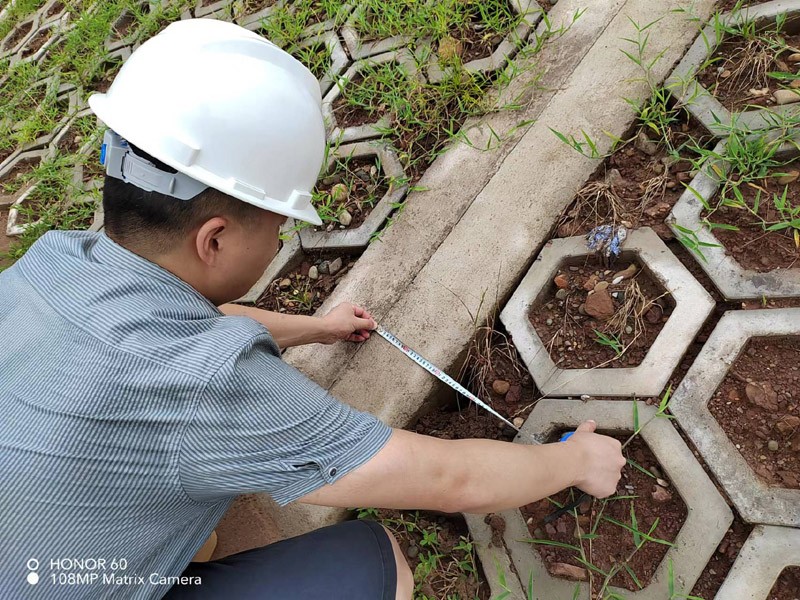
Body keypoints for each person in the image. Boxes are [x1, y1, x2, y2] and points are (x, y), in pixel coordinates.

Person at [0, 19, 625, 600]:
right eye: (277, 224)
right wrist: (572, 462)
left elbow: (179, 333)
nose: (279, 241)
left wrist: (320, 327)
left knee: (203, 524)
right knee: (373, 565)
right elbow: (448, 481)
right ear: (214, 239)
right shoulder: (209, 385)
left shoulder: (50, 263)